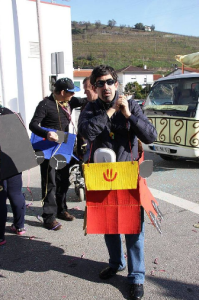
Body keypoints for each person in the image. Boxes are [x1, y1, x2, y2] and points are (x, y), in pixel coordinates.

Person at [78, 65, 157, 300]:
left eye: (109, 82)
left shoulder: (131, 106)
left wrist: (128, 115)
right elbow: (87, 133)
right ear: (93, 87)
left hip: (128, 174)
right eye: (99, 83)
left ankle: (137, 277)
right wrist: (111, 111)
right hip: (101, 176)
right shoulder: (90, 109)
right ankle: (116, 263)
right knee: (109, 225)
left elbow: (150, 136)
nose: (105, 87)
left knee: (133, 229)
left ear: (116, 83)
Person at [29, 77, 87, 231]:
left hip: (64, 147)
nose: (72, 95)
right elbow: (33, 124)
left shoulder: (70, 102)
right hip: (48, 148)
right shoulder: (45, 105)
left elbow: (86, 100)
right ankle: (48, 218)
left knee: (63, 181)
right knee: (50, 183)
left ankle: (61, 210)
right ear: (62, 92)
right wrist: (46, 134)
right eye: (70, 92)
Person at [0, 106, 26, 246]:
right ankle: (20, 226)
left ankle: (0, 236)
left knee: (0, 199)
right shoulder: (12, 113)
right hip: (15, 159)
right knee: (16, 193)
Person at [76, 76, 98, 161]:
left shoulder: (108, 107)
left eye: (87, 90)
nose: (85, 93)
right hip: (87, 150)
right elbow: (80, 129)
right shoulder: (86, 105)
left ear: (95, 89)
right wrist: (79, 148)